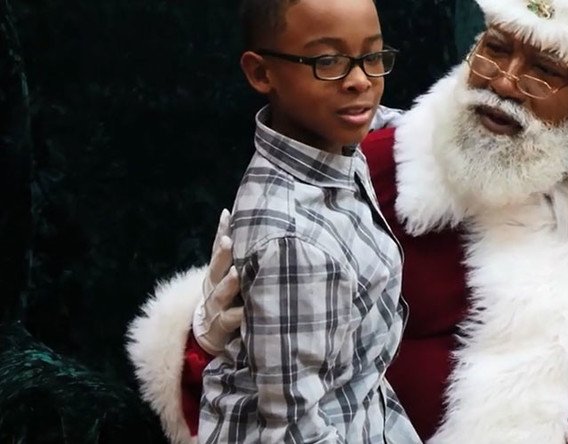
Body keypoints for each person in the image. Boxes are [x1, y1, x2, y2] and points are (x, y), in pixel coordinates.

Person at [127, 0, 568, 442]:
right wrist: (204, 342)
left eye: (544, 71)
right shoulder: (360, 178)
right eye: (496, 49)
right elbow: (237, 384)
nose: (505, 83)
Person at [129, 0, 421, 442]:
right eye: (329, 61)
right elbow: (293, 429)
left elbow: (390, 120)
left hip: (363, 405)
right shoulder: (292, 242)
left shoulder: (328, 135)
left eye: (373, 56)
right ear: (261, 74)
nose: (361, 80)